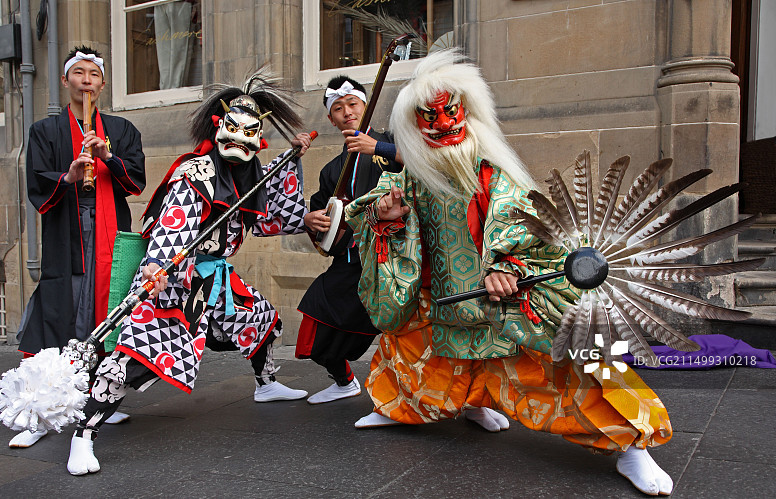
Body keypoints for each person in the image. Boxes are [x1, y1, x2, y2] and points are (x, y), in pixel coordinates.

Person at [345, 50, 674, 496]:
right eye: (429, 116)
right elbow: (366, 214)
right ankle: (441, 409)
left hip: (502, 307)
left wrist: (507, 265)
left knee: (568, 373)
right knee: (413, 358)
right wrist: (388, 216)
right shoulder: (410, 176)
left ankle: (632, 444)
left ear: (467, 110)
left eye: (450, 111)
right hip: (442, 305)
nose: (442, 124)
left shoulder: (496, 173)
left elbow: (528, 224)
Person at [66, 74, 312, 475]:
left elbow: (273, 220)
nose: (242, 142)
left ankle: (266, 385)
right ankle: (83, 435)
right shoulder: (195, 173)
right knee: (132, 361)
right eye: (234, 130)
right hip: (174, 282)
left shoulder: (251, 177)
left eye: (252, 134)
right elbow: (173, 225)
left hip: (218, 280)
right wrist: (156, 267)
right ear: (219, 128)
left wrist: (294, 162)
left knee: (264, 317)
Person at [11, 46, 145, 448]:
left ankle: (100, 397)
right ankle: (40, 408)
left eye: (93, 75)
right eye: (78, 73)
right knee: (60, 306)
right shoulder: (44, 131)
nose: (86, 81)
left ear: (102, 84)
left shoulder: (121, 131)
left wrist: (107, 158)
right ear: (67, 80)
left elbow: (135, 181)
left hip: (108, 229)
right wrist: (68, 176)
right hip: (65, 228)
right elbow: (38, 182)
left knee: (106, 306)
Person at [296, 76, 402, 404]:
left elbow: (429, 163)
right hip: (354, 262)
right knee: (317, 313)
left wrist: (379, 148)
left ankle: (420, 396)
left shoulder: (391, 143)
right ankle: (344, 381)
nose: (347, 112)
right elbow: (325, 217)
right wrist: (310, 221)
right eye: (338, 108)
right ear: (331, 119)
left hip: (397, 258)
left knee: (405, 334)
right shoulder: (332, 170)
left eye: (353, 104)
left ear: (365, 106)